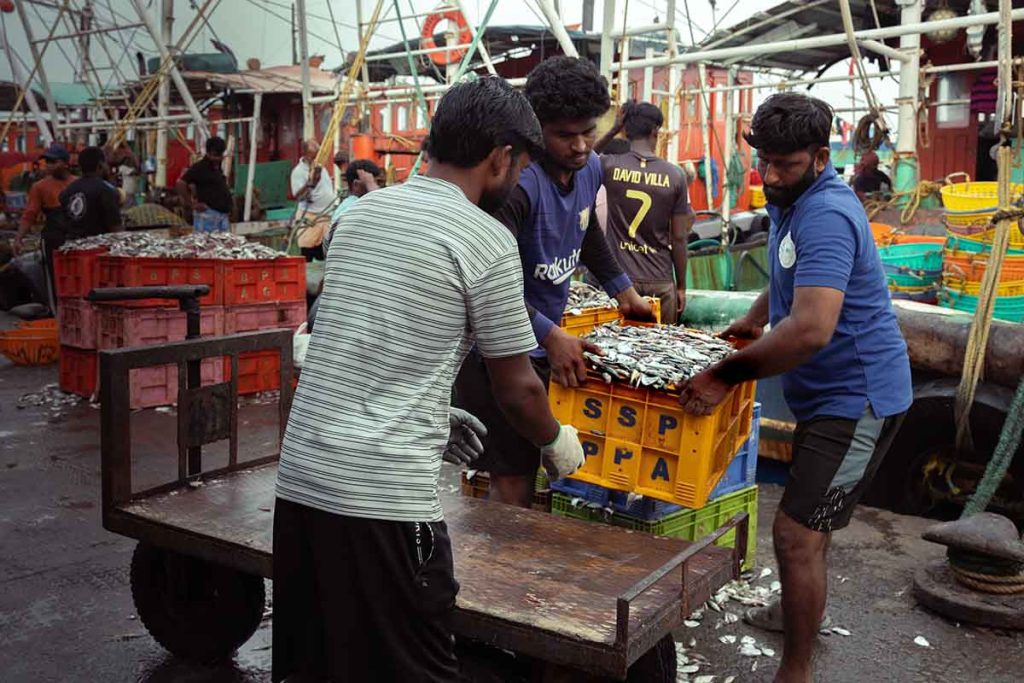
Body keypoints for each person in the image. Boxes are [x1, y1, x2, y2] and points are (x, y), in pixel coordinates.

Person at [273, 76, 585, 682]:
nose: (518, 181)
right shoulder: (487, 240)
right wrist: (554, 442)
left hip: (303, 489)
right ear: (501, 158)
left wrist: (427, 413)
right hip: (386, 506)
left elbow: (353, 342)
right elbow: (517, 388)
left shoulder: (359, 217)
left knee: (322, 664)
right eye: (520, 168)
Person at [677, 93, 911, 683]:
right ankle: (792, 612)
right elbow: (793, 269)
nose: (772, 176)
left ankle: (796, 670)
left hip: (856, 398)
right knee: (810, 525)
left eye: (785, 165)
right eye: (766, 163)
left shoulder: (827, 211)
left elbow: (810, 330)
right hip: (823, 396)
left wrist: (722, 376)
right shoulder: (791, 197)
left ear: (820, 155)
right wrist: (758, 313)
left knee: (796, 534)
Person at [454, 56, 654, 509]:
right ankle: (508, 574)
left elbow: (586, 231)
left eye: (588, 130)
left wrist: (624, 290)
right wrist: (551, 332)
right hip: (496, 354)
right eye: (565, 135)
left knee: (543, 460)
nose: (581, 145)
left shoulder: (592, 170)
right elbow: (483, 286)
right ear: (535, 128)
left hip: (543, 345)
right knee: (513, 475)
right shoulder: (519, 189)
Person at [596, 102, 694, 323]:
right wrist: (681, 287)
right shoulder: (675, 175)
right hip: (659, 280)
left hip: (619, 282)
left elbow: (582, 159)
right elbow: (679, 237)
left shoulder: (609, 166)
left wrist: (612, 130)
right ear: (655, 132)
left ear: (625, 130)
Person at [12, 143, 77, 301]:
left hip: (78, 238)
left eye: (52, 162)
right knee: (55, 278)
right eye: (47, 162)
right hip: (53, 239)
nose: (48, 166)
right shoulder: (39, 187)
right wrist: (19, 238)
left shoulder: (78, 183)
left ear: (65, 163)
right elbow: (30, 214)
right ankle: (56, 309)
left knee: (77, 275)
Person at [59, 146, 123, 242]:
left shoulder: (67, 191)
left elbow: (64, 225)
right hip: (98, 249)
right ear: (100, 165)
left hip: (72, 248)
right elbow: (116, 229)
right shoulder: (107, 190)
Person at [290, 139, 336, 261]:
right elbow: (298, 196)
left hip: (326, 216)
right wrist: (311, 183)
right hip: (311, 217)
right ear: (305, 154)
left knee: (326, 252)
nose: (316, 159)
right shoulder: (298, 172)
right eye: (313, 156)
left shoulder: (320, 167)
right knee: (308, 251)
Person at [324, 158, 382, 253]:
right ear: (356, 184)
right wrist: (371, 185)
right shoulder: (356, 207)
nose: (378, 187)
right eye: (374, 182)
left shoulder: (349, 205)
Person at [176, 136, 232, 232]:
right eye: (215, 155)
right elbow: (180, 183)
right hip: (208, 216)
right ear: (209, 153)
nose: (219, 158)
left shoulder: (217, 168)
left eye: (220, 155)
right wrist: (192, 204)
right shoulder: (200, 167)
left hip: (221, 216)